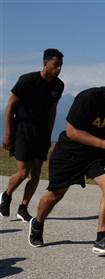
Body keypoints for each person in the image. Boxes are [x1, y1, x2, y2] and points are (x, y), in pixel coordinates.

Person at [28, 78, 105, 256]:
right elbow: (72, 131)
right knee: (56, 194)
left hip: (95, 154)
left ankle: (101, 239)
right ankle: (38, 223)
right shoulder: (88, 99)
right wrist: (103, 143)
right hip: (70, 153)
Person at [1, 49, 64, 222]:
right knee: (23, 172)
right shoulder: (27, 80)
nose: (58, 69)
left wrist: (49, 135)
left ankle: (23, 207)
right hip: (22, 128)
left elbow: (52, 111)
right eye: (55, 65)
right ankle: (6, 195)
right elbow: (10, 106)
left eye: (60, 66)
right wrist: (7, 133)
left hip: (42, 131)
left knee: (36, 173)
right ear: (45, 64)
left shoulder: (59, 85)